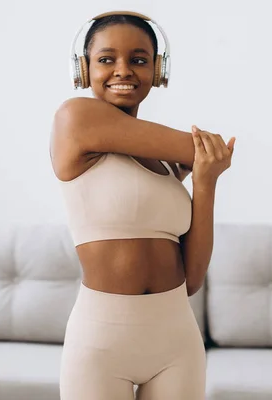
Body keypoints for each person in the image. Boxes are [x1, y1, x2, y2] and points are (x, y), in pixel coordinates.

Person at [49, 10, 236, 400]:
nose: (124, 70)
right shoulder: (75, 118)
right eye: (106, 59)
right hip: (100, 342)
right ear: (83, 69)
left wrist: (204, 181)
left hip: (176, 339)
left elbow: (193, 279)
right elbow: (203, 148)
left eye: (139, 59)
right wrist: (203, 157)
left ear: (158, 70)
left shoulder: (169, 168)